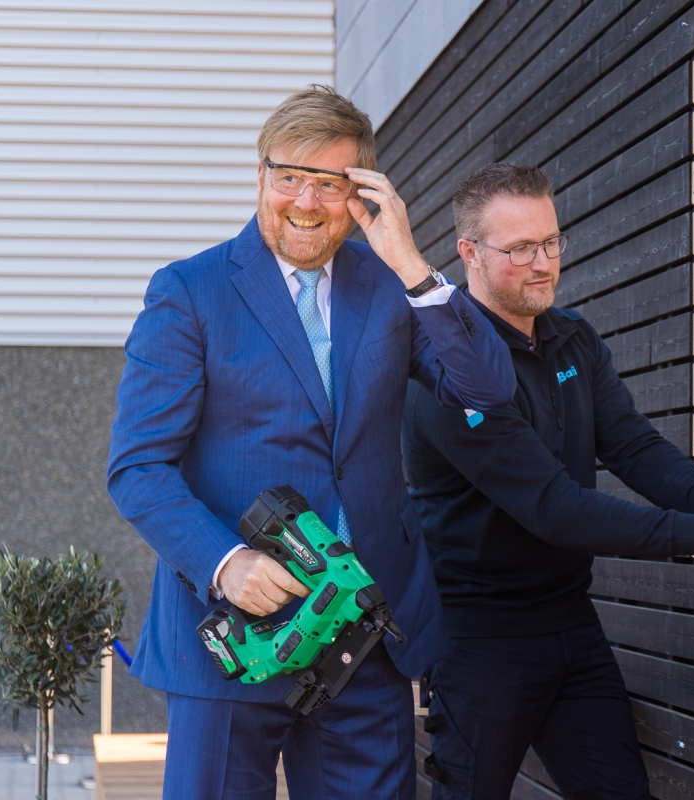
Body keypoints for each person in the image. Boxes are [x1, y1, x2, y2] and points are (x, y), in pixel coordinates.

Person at [107, 86, 515, 799]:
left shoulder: (390, 286)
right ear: (260, 177)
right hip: (234, 635)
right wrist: (224, 563)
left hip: (366, 638)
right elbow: (138, 467)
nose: (303, 200)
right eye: (287, 175)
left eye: (327, 183)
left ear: (359, 193)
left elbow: (486, 389)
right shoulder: (190, 291)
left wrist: (412, 263)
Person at [401, 163, 694, 800]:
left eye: (551, 241)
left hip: (570, 625)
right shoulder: (446, 378)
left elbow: (632, 446)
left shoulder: (573, 340)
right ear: (468, 254)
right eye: (520, 249)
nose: (543, 263)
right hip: (480, 642)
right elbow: (554, 508)